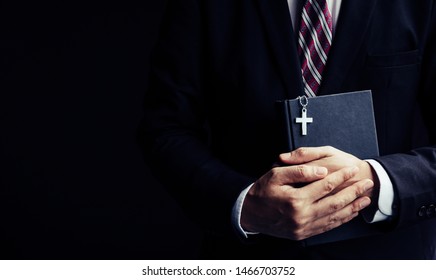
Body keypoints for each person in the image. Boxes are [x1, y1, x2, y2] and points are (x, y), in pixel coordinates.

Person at [144, 0, 436, 259]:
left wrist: (377, 181)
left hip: (388, 258)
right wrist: (243, 203)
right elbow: (165, 127)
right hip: (250, 260)